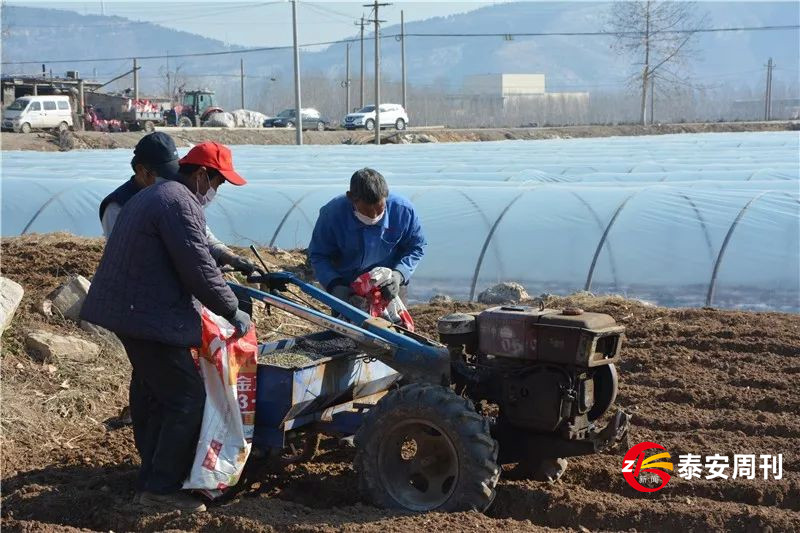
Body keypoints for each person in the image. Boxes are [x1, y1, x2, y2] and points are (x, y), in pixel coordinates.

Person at [81, 142, 252, 513]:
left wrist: (231, 263)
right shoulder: (177, 201)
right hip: (146, 315)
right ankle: (159, 490)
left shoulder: (159, 194)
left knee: (155, 394)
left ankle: (151, 475)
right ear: (202, 175)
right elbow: (198, 269)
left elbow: (199, 251)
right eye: (218, 184)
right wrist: (232, 309)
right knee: (186, 398)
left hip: (131, 311)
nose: (215, 193)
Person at [99, 132, 256, 274]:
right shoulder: (117, 206)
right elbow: (127, 259)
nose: (169, 182)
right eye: (163, 175)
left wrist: (227, 256)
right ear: (141, 171)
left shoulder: (176, 194)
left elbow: (199, 232)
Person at [308, 167, 426, 307]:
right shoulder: (332, 215)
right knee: (347, 327)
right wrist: (334, 285)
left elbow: (416, 247)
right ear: (351, 198)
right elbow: (318, 255)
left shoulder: (403, 211)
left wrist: (399, 274)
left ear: (386, 195)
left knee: (393, 327)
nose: (374, 216)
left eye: (380, 209)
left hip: (389, 285)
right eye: (366, 211)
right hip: (348, 288)